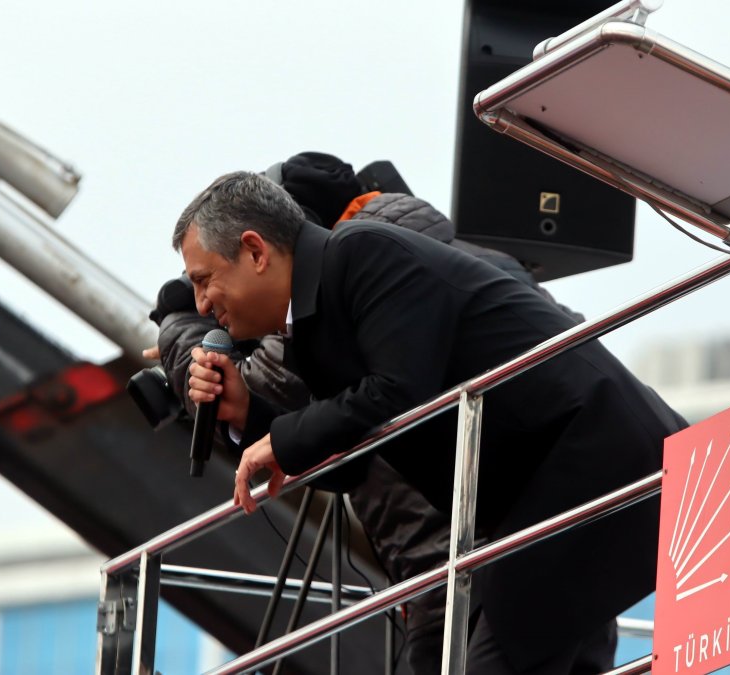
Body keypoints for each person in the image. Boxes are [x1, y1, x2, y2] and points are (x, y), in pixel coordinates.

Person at [178, 170, 685, 674]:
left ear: (255, 251)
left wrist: (281, 441)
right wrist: (251, 414)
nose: (201, 304)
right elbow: (351, 466)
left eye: (205, 280)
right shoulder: (313, 319)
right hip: (544, 489)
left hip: (589, 457)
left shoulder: (361, 252)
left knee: (490, 662)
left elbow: (398, 391)